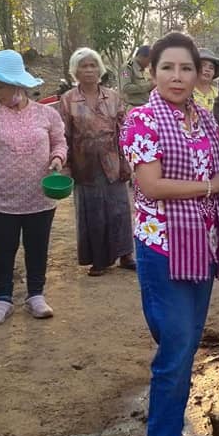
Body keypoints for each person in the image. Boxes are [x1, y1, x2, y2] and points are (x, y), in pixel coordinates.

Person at [120, 31, 219, 436]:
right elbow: (151, 185)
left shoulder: (199, 117)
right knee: (175, 349)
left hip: (201, 245)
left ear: (199, 75)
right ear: (152, 72)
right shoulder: (142, 120)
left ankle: (172, 431)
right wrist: (212, 188)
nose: (177, 77)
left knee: (185, 346)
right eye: (167, 68)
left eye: (185, 68)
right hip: (163, 248)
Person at [0, 50, 67, 326]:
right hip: (1, 199)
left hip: (40, 198)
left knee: (37, 247)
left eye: (0, 86)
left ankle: (35, 295)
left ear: (18, 84)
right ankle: (3, 298)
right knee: (3, 249)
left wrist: (57, 158)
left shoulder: (46, 114)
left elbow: (59, 143)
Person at [59, 47, 135, 277]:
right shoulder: (69, 99)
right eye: (84, 66)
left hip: (113, 159)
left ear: (100, 70)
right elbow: (63, 134)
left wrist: (127, 161)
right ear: (76, 71)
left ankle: (126, 255)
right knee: (92, 211)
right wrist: (66, 165)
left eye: (93, 65)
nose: (89, 70)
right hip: (84, 163)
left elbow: (125, 130)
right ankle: (99, 260)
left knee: (119, 209)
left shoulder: (112, 96)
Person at [122, 45, 152, 110]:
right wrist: (149, 86)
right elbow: (126, 88)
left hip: (146, 106)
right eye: (149, 60)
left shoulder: (144, 69)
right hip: (135, 107)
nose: (149, 63)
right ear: (142, 56)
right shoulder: (127, 67)